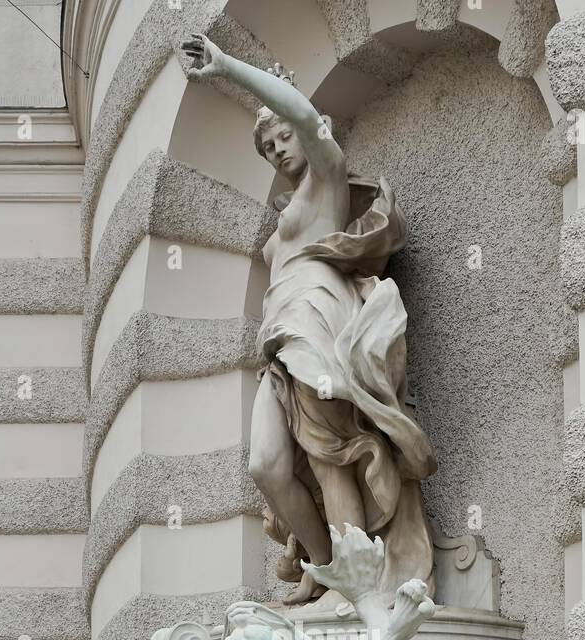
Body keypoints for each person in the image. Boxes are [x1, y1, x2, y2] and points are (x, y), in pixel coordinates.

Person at [182, 34, 437, 603]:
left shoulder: (326, 182)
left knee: (332, 462)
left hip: (317, 329)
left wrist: (227, 68)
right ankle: (326, 569)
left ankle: (357, 596)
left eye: (281, 136)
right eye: (266, 145)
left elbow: (299, 110)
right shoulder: (286, 218)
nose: (275, 148)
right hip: (280, 347)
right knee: (266, 465)